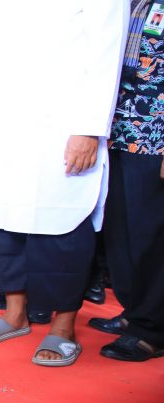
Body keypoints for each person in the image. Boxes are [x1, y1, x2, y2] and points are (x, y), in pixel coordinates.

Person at [0, 1, 127, 366]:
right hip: (10, 127)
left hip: (63, 124)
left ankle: (64, 325)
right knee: (6, 223)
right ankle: (15, 313)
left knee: (64, 225)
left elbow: (106, 50)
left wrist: (88, 128)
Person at [89, 0, 164, 362]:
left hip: (155, 140)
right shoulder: (131, 4)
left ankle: (152, 329)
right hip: (118, 134)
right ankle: (135, 311)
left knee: (152, 237)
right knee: (120, 232)